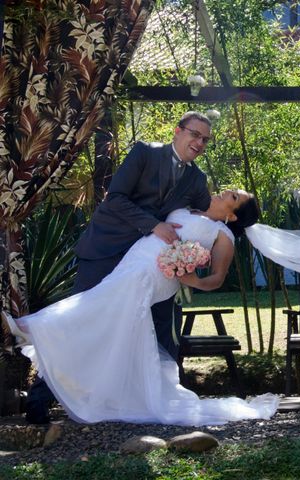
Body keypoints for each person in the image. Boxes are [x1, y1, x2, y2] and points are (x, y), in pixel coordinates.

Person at [2, 190, 280, 426]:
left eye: (232, 197)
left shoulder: (223, 236)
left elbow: (217, 278)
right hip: (137, 259)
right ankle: (46, 341)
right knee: (106, 316)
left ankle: (31, 328)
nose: (225, 192)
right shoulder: (191, 206)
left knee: (98, 302)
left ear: (232, 215)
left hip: (155, 275)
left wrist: (191, 278)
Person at [24, 111, 214, 424]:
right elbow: (115, 199)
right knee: (81, 322)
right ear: (178, 131)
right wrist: (153, 225)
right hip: (106, 250)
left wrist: (232, 224)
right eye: (195, 134)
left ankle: (165, 402)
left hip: (151, 267)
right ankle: (40, 397)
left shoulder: (197, 179)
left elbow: (210, 211)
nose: (199, 143)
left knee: (162, 328)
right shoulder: (144, 153)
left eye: (205, 140)